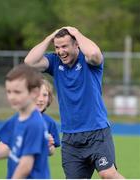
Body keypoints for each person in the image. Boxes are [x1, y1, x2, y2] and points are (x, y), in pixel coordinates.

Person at [24, 26, 125, 179]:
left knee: (108, 174)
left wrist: (76, 33)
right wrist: (50, 37)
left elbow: (93, 53)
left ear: (76, 44)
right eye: (57, 47)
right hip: (70, 138)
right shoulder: (54, 62)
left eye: (64, 46)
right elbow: (29, 62)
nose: (60, 51)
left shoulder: (89, 61)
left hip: (96, 131)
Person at [36, 79, 60, 155]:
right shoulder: (19, 119)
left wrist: (48, 146)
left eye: (45, 95)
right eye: (37, 94)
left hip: (40, 166)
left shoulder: (50, 122)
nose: (40, 99)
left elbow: (52, 151)